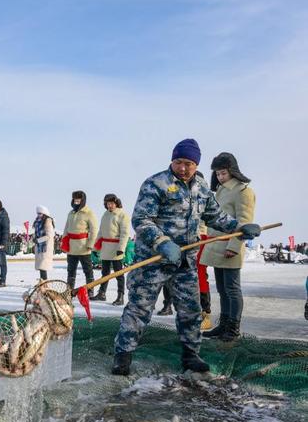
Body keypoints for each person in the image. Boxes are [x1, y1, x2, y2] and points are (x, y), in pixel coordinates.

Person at [111, 139, 261, 376]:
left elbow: (216, 217)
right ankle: (123, 355)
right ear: (172, 160)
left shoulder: (201, 188)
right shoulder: (155, 184)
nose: (183, 168)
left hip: (185, 263)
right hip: (153, 261)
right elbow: (141, 220)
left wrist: (240, 228)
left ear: (196, 164)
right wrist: (162, 242)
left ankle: (191, 354)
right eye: (179, 162)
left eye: (189, 163)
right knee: (139, 309)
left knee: (191, 310)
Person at [200, 152, 256, 343]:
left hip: (230, 246)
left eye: (223, 173)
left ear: (233, 171)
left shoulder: (243, 191)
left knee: (232, 289)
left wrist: (234, 245)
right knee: (222, 289)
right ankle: (223, 325)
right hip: (215, 245)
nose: (220, 177)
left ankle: (233, 328)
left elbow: (244, 221)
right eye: (217, 174)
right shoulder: (221, 190)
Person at [91, 194, 129, 305]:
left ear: (116, 203)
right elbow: (101, 232)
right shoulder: (105, 215)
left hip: (116, 248)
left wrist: (121, 248)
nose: (110, 205)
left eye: (112, 203)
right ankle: (102, 293)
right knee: (105, 273)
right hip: (106, 247)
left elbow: (125, 233)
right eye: (108, 203)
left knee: (118, 273)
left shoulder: (122, 215)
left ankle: (120, 296)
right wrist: (95, 246)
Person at [62, 190, 98, 297]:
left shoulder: (89, 213)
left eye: (78, 200)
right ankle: (69, 290)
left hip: (84, 247)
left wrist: (90, 244)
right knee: (71, 270)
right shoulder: (71, 213)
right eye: (75, 199)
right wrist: (64, 243)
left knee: (88, 271)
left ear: (83, 200)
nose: (76, 201)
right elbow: (66, 229)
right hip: (72, 248)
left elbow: (94, 229)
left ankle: (90, 291)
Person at [33, 205, 55, 281]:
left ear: (44, 214)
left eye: (40, 213)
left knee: (43, 267)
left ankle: (44, 283)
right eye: (38, 213)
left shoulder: (48, 221)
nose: (38, 215)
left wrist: (38, 240)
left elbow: (49, 235)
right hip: (39, 247)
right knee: (41, 267)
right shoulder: (38, 222)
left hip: (45, 247)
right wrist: (35, 239)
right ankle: (43, 282)